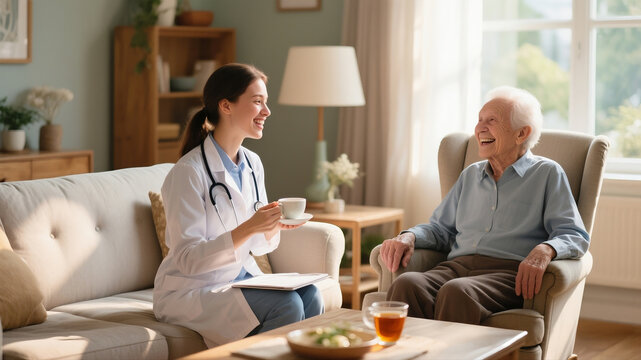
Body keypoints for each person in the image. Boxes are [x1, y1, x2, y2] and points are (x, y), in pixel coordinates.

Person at [380, 86, 589, 324]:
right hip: (455, 267)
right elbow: (441, 229)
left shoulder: (547, 174)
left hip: (506, 274)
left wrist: (546, 249)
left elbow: (574, 234)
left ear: (522, 133)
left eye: (492, 120)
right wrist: (410, 236)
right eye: (479, 120)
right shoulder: (470, 175)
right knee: (407, 284)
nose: (480, 128)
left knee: (457, 292)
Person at [153, 63, 323, 347]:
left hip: (236, 278)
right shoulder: (188, 172)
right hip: (191, 290)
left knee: (312, 295)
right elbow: (188, 260)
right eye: (258, 102)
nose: (267, 112)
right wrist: (249, 227)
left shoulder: (252, 163)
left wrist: (271, 227)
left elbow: (259, 248)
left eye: (265, 103)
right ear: (226, 106)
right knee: (288, 305)